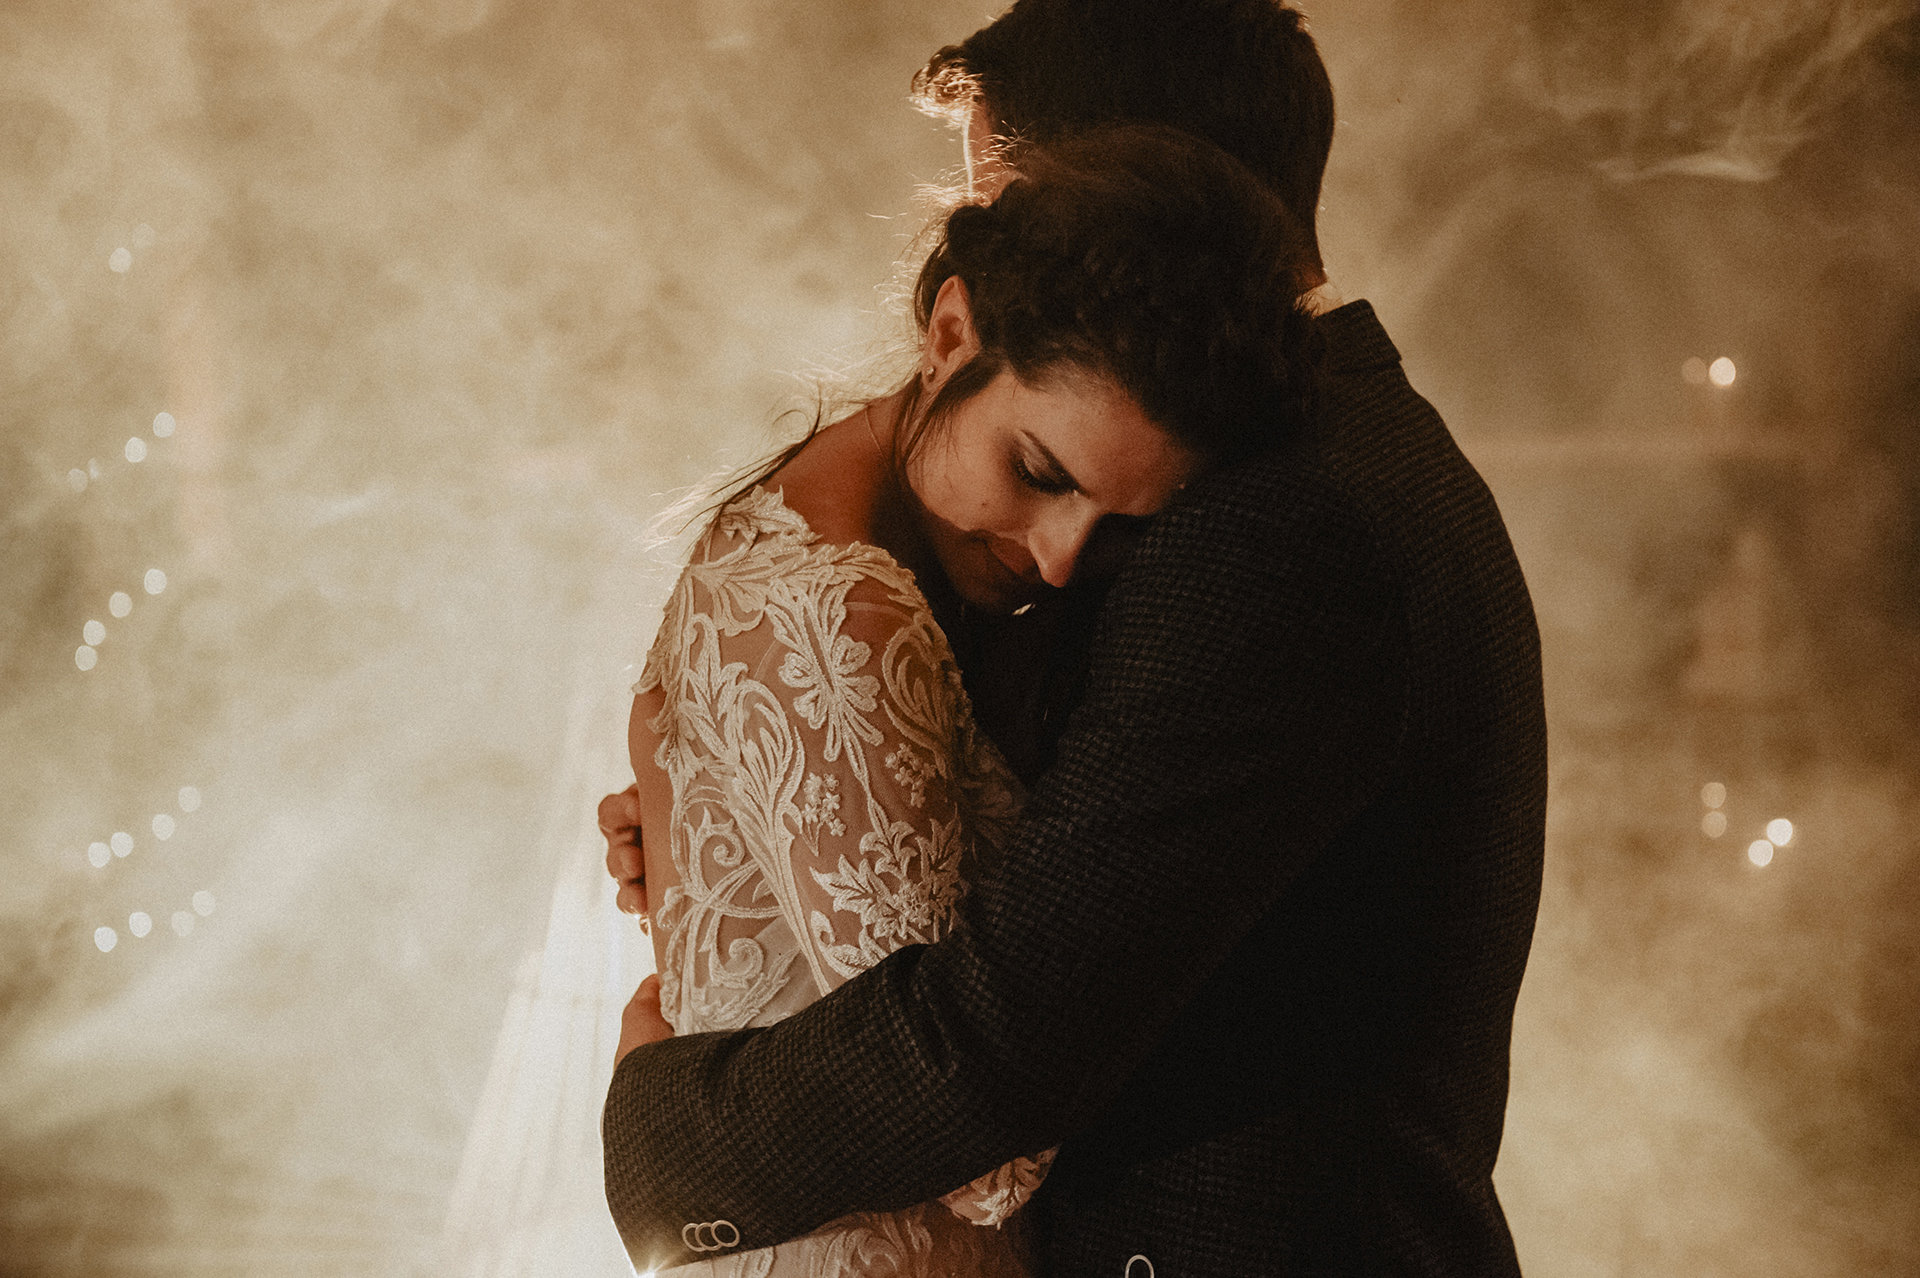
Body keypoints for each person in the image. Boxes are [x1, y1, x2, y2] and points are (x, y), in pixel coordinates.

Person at [602, 2, 1547, 1274]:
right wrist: (765, 797)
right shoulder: (1311, 458)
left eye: (1007, 198)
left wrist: (669, 1141)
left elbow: (1002, 1036)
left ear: (1154, 184)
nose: (989, 245)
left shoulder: (1278, 518)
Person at [618, 125, 1321, 1276]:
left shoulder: (839, 548)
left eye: (1122, 527)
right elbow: (983, 1155)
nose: (1060, 558)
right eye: (1038, 472)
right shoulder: (845, 614)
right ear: (950, 335)